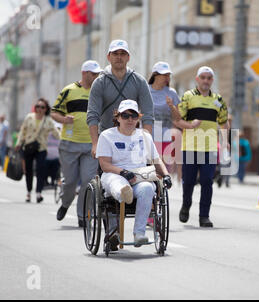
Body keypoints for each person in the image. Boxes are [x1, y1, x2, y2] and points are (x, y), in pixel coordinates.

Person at [96, 100, 172, 249]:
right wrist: (123, 172)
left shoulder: (145, 136)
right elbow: (104, 164)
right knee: (119, 185)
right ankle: (123, 196)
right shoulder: (107, 135)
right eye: (125, 115)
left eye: (134, 116)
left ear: (138, 118)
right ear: (118, 117)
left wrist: (166, 175)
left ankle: (139, 233)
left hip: (139, 176)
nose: (130, 119)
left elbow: (157, 160)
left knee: (148, 188)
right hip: (114, 173)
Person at [148, 61, 201, 226]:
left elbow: (177, 119)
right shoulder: (145, 91)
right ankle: (149, 211)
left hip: (165, 140)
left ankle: (156, 211)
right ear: (155, 75)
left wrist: (172, 107)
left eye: (168, 75)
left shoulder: (171, 92)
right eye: (164, 75)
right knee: (149, 176)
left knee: (161, 176)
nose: (167, 77)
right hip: (147, 138)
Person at [51, 60, 102, 227]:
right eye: (93, 74)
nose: (96, 77)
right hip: (70, 144)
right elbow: (54, 112)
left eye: (97, 74)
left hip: (91, 144)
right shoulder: (69, 91)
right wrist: (64, 119)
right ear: (84, 73)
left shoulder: (100, 92)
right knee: (70, 182)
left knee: (88, 181)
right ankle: (65, 203)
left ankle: (83, 216)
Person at [178, 66, 229, 228]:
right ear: (197, 79)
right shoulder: (188, 97)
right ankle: (186, 206)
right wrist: (190, 124)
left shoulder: (218, 100)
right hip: (190, 147)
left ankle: (204, 216)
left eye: (209, 78)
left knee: (207, 181)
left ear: (212, 80)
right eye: (203, 77)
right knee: (189, 181)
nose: (206, 81)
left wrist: (226, 140)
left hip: (210, 148)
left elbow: (223, 122)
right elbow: (178, 120)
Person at [87, 40, 154, 159]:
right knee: (107, 175)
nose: (119, 57)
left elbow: (148, 114)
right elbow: (93, 115)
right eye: (115, 54)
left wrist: (147, 143)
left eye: (122, 54)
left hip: (133, 140)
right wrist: (95, 144)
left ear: (128, 57)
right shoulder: (99, 82)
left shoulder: (139, 81)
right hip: (106, 138)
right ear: (109, 57)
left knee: (136, 176)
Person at [15, 98, 60, 203]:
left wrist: (66, 140)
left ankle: (39, 193)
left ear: (45, 109)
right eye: (37, 106)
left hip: (41, 148)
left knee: (41, 170)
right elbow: (23, 130)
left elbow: (56, 133)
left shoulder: (48, 120)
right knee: (29, 170)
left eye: (42, 107)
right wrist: (18, 143)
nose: (39, 109)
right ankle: (29, 192)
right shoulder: (29, 117)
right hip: (29, 146)